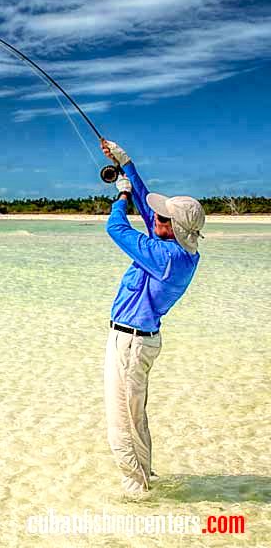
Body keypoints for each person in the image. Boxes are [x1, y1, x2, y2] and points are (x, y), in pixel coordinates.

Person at [100, 138, 206, 496]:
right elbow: (150, 212)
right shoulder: (176, 247)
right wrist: (125, 163)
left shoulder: (167, 258)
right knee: (134, 416)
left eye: (162, 217)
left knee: (122, 423)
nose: (155, 217)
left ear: (172, 228)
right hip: (136, 339)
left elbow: (116, 229)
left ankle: (136, 493)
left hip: (131, 343)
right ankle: (145, 477)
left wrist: (121, 198)